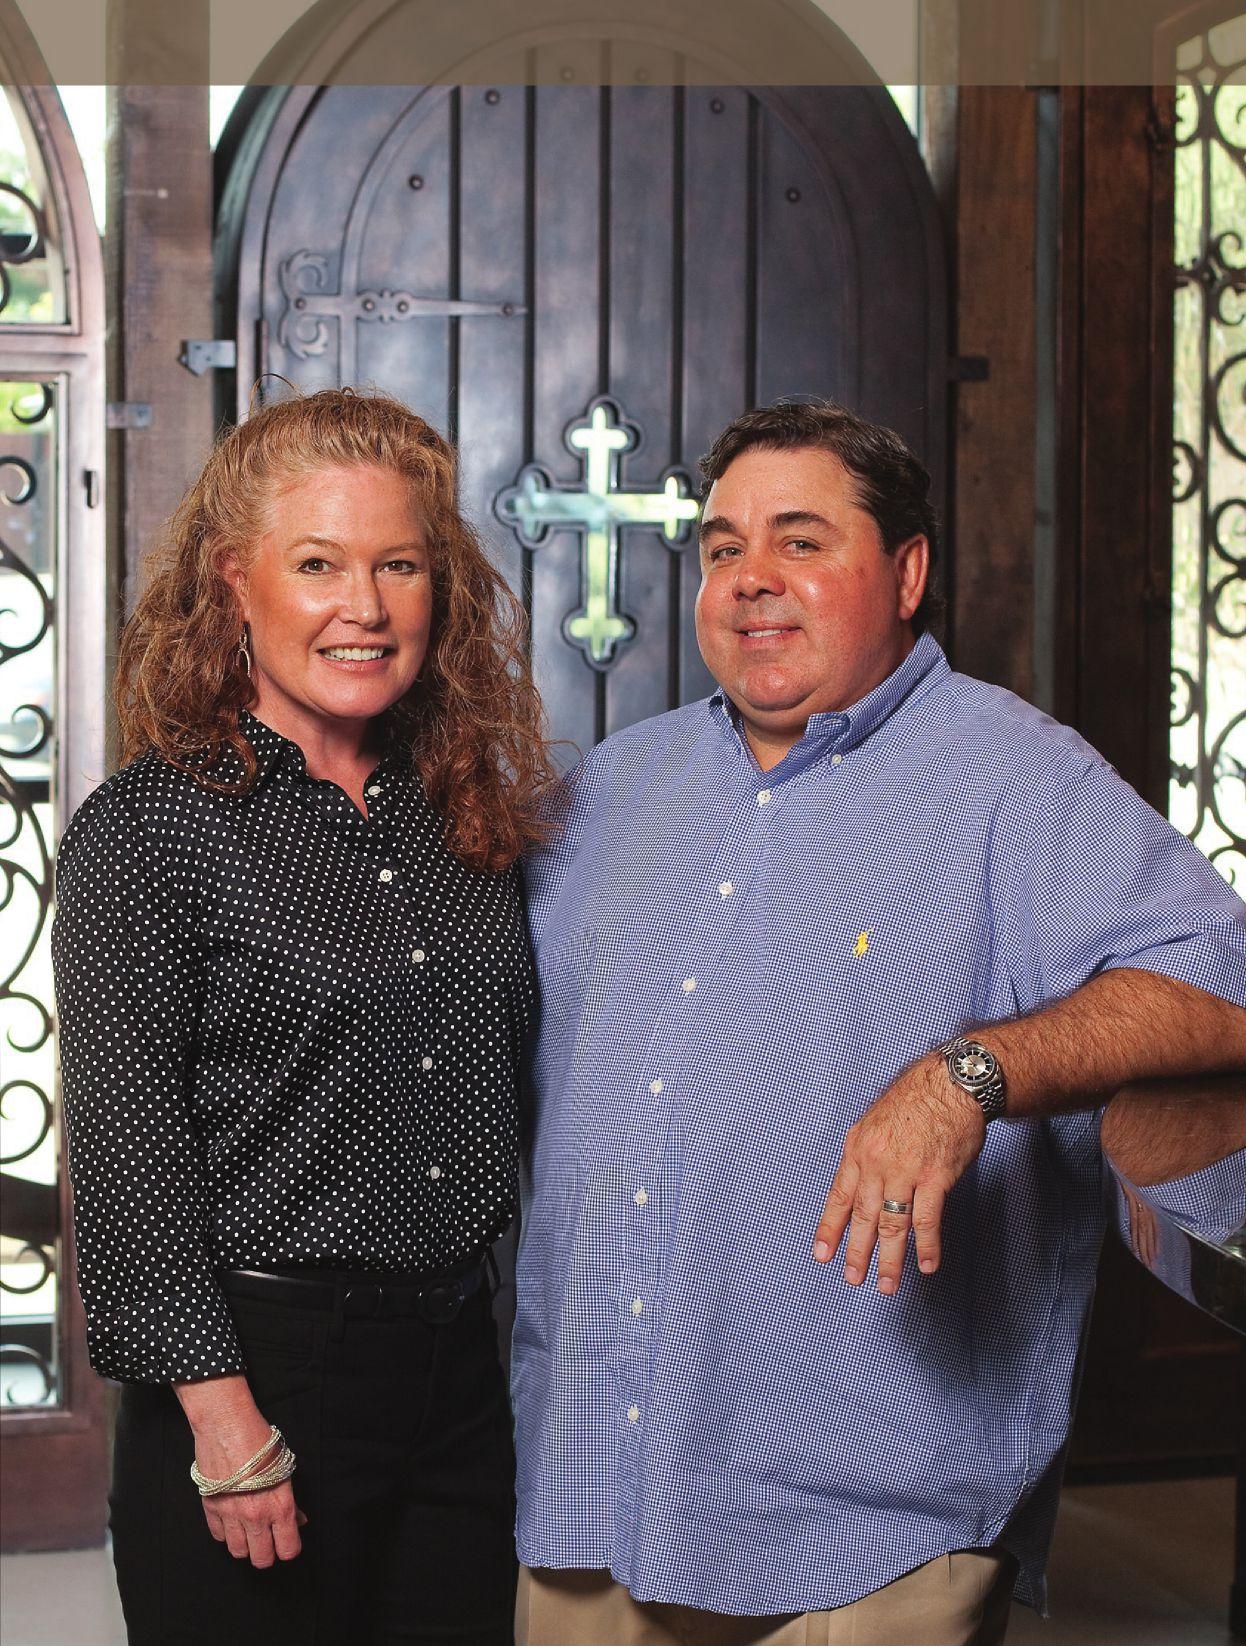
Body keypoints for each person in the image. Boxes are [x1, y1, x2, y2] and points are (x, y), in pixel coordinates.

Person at [512, 399, 1246, 1645]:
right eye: (725, 547)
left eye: (800, 540)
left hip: (869, 1533)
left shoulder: (1016, 776)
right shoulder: (613, 788)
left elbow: (1221, 985)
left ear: (906, 573)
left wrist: (967, 1073)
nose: (751, 578)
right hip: (596, 1488)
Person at [52, 388, 554, 1645]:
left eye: (399, 565)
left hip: (459, 1372)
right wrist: (225, 1422)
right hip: (254, 1374)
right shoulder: (149, 831)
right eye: (319, 563)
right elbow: (127, 1160)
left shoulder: (468, 816)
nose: (365, 606)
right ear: (236, 580)